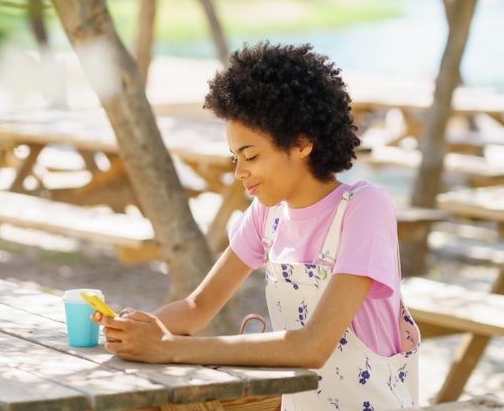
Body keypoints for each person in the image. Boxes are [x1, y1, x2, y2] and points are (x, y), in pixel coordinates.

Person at [92, 42, 420, 410]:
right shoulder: (268, 214)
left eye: (250, 155)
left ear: (301, 143)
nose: (238, 172)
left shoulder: (363, 207)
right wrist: (134, 331)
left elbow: (312, 346)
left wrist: (169, 348)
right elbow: (199, 306)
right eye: (234, 157)